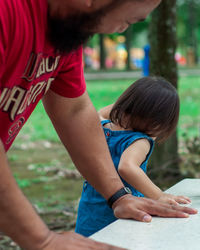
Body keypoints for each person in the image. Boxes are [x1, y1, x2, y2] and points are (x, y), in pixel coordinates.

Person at [0, 0, 197, 249]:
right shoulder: (7, 12)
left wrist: (119, 197)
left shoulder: (64, 31)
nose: (121, 30)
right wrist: (43, 240)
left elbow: (75, 110)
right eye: (128, 21)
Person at [75, 76, 191, 237]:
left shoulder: (101, 127)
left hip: (89, 210)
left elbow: (100, 112)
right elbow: (127, 167)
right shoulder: (139, 140)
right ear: (159, 122)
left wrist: (125, 105)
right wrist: (159, 195)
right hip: (120, 214)